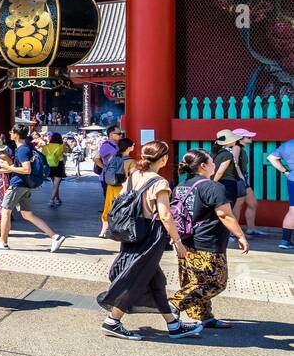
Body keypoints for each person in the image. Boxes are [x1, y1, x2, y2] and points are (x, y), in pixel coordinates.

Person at [97, 141, 203, 341]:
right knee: (136, 277)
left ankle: (173, 325)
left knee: (155, 280)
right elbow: (165, 214)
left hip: (131, 232)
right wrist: (177, 241)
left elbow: (120, 200)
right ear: (163, 159)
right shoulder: (159, 182)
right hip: (150, 235)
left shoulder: (134, 176)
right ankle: (112, 321)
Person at [169, 149, 248, 328]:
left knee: (196, 282)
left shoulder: (181, 185)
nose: (215, 164)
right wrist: (240, 236)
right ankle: (174, 303)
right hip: (208, 242)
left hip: (187, 240)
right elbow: (225, 214)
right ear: (203, 165)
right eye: (212, 161)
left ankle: (204, 316)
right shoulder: (213, 187)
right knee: (215, 282)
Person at [0, 123, 65, 251]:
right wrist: (2, 169)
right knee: (27, 214)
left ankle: (3, 242)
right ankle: (55, 237)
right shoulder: (27, 148)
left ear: (16, 135)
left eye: (11, 132)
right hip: (25, 185)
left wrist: (6, 166)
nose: (10, 133)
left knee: (5, 212)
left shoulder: (22, 150)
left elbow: (26, 169)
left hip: (18, 184)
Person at [99, 137, 135, 239]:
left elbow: (106, 169)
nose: (134, 147)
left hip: (111, 186)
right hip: (123, 188)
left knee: (108, 208)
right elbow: (132, 177)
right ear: (128, 148)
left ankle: (103, 231)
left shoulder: (113, 158)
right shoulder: (131, 161)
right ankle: (120, 231)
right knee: (122, 209)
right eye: (133, 145)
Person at [265, 137, 294, 249]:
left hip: (292, 179)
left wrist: (285, 171)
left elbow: (271, 158)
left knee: (293, 210)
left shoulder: (288, 144)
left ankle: (285, 241)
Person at [96, 126, 124, 228]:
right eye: (119, 134)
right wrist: (105, 168)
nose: (121, 135)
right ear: (111, 135)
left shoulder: (116, 144)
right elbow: (96, 158)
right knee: (110, 202)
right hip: (108, 178)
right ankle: (108, 225)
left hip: (115, 177)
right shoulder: (106, 145)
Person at [41, 131, 67, 208]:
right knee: (56, 184)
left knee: (55, 184)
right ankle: (51, 200)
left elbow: (43, 155)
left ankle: (58, 199)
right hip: (59, 165)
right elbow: (70, 151)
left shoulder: (46, 147)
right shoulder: (61, 146)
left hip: (49, 165)